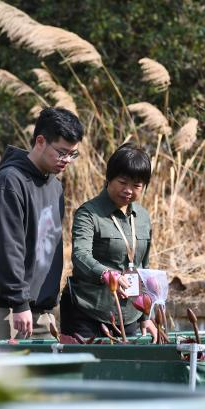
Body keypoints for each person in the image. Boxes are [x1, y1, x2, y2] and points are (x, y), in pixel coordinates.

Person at [0, 107, 84, 340]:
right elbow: (7, 246)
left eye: (73, 154)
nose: (67, 161)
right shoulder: (9, 182)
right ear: (40, 141)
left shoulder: (55, 187)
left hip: (42, 312)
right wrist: (19, 302)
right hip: (5, 310)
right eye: (62, 152)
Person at [61, 144, 158, 339]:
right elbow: (80, 255)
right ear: (109, 179)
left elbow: (143, 267)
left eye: (137, 185)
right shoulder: (88, 213)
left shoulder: (143, 217)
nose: (128, 190)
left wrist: (147, 315)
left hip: (130, 314)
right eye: (123, 182)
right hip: (88, 311)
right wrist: (106, 274)